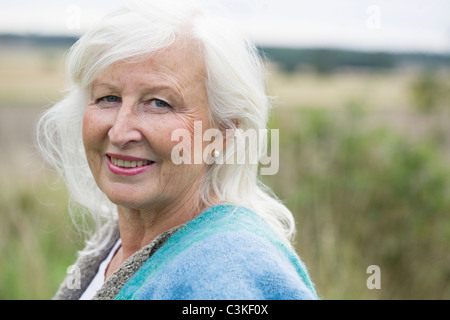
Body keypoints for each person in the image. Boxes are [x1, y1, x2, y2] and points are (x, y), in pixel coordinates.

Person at [36, 0, 318, 300]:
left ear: (222, 133)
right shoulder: (117, 244)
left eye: (159, 103)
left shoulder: (228, 274)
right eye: (108, 97)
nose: (119, 132)